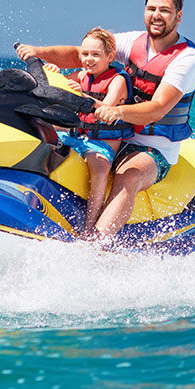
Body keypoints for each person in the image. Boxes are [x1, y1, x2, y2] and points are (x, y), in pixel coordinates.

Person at [16, 0, 195, 241]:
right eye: (151, 9)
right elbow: (81, 53)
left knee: (128, 175)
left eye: (164, 10)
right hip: (110, 134)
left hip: (152, 146)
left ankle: (97, 244)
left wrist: (118, 112)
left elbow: (159, 108)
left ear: (178, 16)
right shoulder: (131, 42)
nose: (156, 16)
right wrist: (38, 52)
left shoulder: (186, 58)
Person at [47, 27, 133, 234]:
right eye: (85, 54)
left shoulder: (118, 80)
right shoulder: (82, 74)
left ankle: (90, 225)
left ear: (110, 56)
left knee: (99, 167)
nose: (89, 59)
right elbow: (61, 84)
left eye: (96, 54)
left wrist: (85, 98)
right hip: (75, 135)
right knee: (42, 138)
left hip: (100, 143)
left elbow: (108, 108)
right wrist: (53, 72)